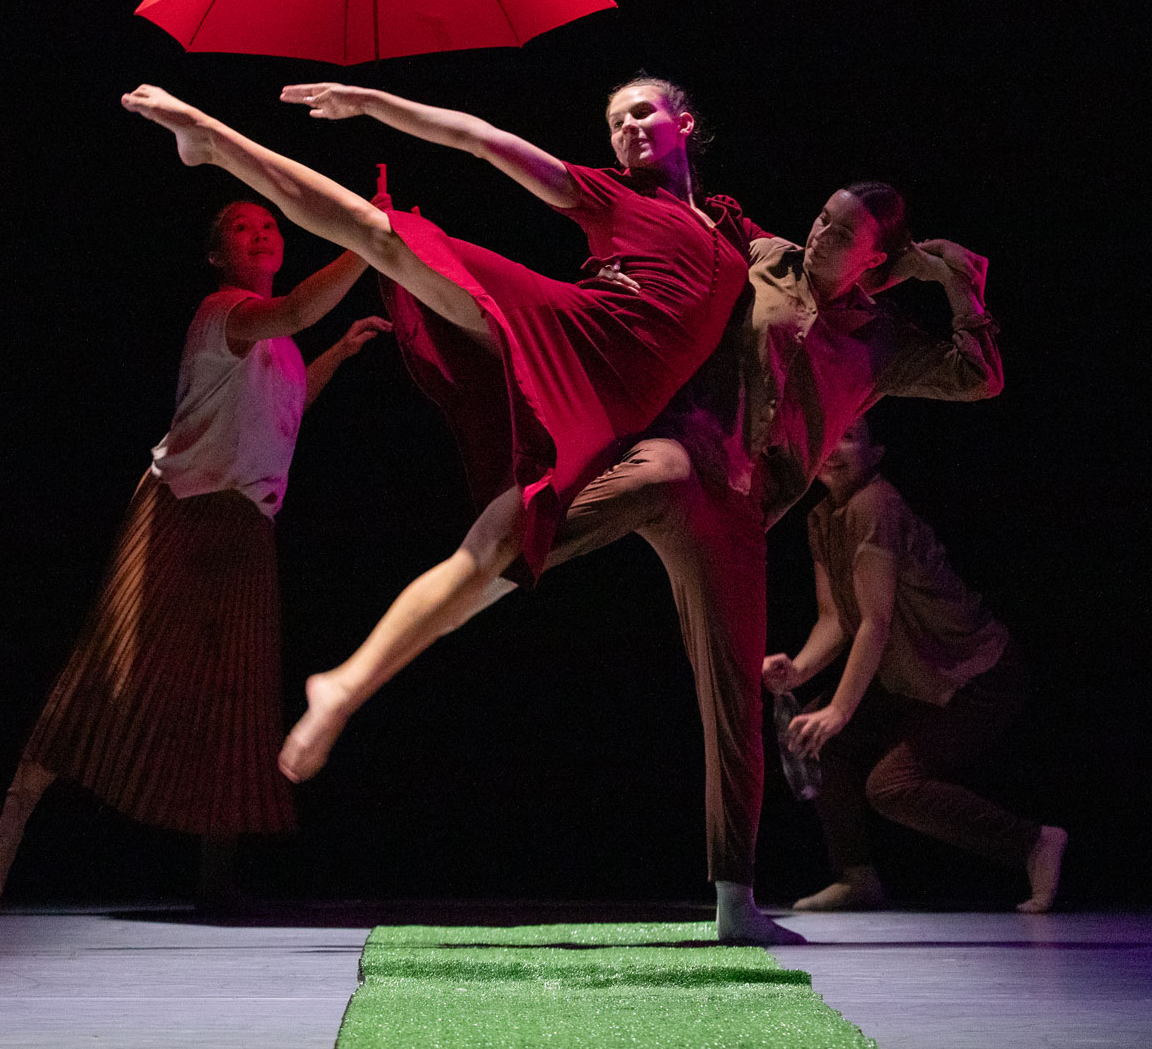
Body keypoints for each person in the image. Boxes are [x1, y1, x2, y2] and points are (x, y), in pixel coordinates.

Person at [119, 77, 750, 808]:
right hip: (574, 331)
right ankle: (212, 139)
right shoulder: (612, 195)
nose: (627, 128)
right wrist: (373, 103)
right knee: (380, 235)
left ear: (684, 122)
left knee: (493, 556)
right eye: (615, 121)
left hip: (613, 409)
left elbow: (815, 269)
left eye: (641, 112)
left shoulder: (735, 236)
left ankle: (343, 684)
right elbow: (480, 138)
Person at [531, 182, 1007, 940]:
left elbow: (978, 375)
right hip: (682, 455)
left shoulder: (881, 341)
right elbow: (685, 224)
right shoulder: (763, 255)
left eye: (843, 234)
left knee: (734, 704)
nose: (820, 235)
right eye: (821, 218)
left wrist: (957, 284)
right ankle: (476, 571)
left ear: (875, 259)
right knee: (551, 530)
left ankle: (735, 903)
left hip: (737, 516)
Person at [0, 201, 387, 913]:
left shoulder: (278, 343)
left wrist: (338, 355)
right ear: (217, 257)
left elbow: (283, 411)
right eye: (241, 227)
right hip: (181, 512)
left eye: (269, 225)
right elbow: (293, 311)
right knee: (109, 674)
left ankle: (215, 878)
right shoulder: (224, 312)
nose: (261, 232)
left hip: (245, 526)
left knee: (236, 699)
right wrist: (368, 238)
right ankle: (11, 824)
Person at [765, 417, 1067, 914]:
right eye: (827, 434)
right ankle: (856, 876)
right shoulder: (821, 518)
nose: (833, 448)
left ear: (876, 452)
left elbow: (876, 622)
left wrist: (839, 710)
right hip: (917, 677)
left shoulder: (875, 505)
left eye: (848, 436)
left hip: (977, 675)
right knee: (818, 738)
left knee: (891, 785)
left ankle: (1033, 843)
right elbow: (836, 618)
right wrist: (798, 670)